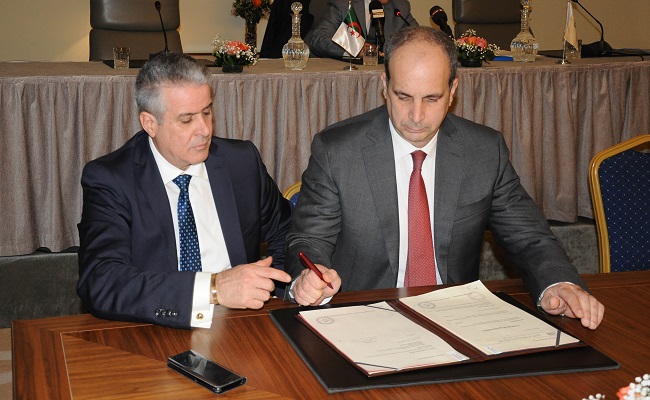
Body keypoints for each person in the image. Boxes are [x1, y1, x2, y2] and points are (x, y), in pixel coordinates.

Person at [286, 26, 605, 330]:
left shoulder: (483, 151)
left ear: (452, 91)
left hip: (457, 319)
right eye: (403, 96)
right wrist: (308, 279)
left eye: (431, 99)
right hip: (364, 318)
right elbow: (309, 240)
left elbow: (529, 237)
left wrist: (558, 283)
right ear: (384, 86)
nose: (416, 116)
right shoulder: (338, 151)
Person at [77, 52, 292, 329]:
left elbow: (288, 230)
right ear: (150, 123)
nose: (204, 130)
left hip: (242, 323)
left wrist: (283, 287)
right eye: (187, 119)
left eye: (207, 112)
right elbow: (101, 280)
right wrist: (213, 288)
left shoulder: (240, 162)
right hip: (156, 327)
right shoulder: (112, 179)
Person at [309, 0, 418, 59]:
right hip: (350, 74)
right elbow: (319, 39)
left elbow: (418, 38)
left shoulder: (400, 6)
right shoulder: (343, 4)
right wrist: (354, 50)